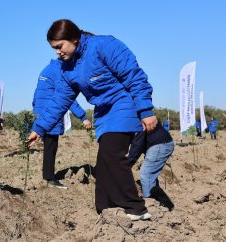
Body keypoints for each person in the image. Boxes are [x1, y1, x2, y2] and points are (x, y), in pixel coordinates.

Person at [28, 19, 156, 221]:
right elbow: (60, 100)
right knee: (104, 162)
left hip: (123, 103)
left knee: (112, 154)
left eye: (59, 46)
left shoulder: (104, 45)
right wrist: (40, 128)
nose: (57, 52)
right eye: (54, 48)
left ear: (74, 39)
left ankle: (136, 208)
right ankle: (105, 208)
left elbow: (134, 76)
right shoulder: (67, 68)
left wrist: (145, 110)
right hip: (104, 112)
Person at [33, 59, 91, 189]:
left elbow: (36, 93)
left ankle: (47, 176)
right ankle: (49, 178)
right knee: (51, 147)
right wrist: (83, 117)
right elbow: (67, 98)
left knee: (48, 146)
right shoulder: (59, 72)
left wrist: (36, 112)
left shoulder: (46, 69)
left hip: (41, 113)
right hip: (51, 113)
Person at [128, 121, 174, 211]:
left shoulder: (138, 120)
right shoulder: (135, 118)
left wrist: (128, 164)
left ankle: (150, 204)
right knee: (151, 177)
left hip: (159, 145)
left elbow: (137, 145)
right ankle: (164, 203)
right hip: (160, 143)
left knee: (146, 174)